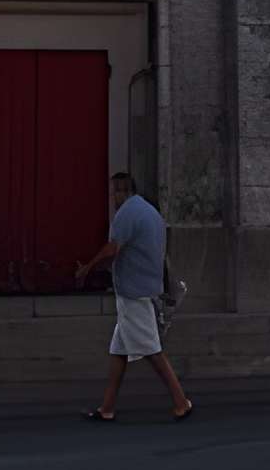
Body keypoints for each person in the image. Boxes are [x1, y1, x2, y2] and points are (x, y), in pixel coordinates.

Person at [76, 170, 192, 422]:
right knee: (119, 351)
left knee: (152, 350)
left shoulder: (126, 213)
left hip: (133, 293)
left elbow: (112, 249)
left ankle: (181, 402)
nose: (111, 198)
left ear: (121, 191)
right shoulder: (150, 211)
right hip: (145, 288)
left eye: (113, 192)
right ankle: (107, 408)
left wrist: (88, 268)